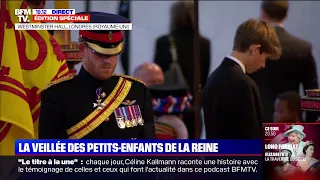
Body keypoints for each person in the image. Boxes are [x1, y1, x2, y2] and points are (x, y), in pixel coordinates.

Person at [38, 12, 156, 139]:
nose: (108, 61)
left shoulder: (137, 91)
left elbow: (148, 150)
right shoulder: (57, 95)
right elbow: (51, 155)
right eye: (100, 54)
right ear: (82, 49)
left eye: (113, 53)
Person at [202, 19, 281, 139]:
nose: (263, 65)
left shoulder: (213, 77)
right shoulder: (245, 85)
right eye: (265, 57)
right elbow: (252, 137)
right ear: (255, 49)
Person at [249, 1, 319, 122]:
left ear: (263, 13)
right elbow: (312, 92)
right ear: (285, 15)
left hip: (258, 121)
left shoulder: (254, 48)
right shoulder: (303, 48)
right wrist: (309, 124)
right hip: (291, 124)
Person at [153, 1, 211, 96]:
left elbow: (157, 76)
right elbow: (204, 77)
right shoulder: (204, 43)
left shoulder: (163, 42)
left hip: (170, 101)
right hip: (194, 100)